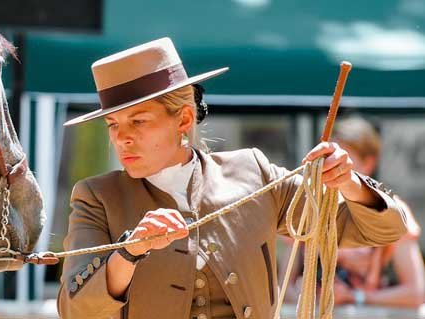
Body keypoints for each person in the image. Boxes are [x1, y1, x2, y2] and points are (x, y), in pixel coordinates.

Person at [57, 37, 409, 319]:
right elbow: (75, 311)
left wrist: (348, 182)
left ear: (183, 120)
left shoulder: (253, 173)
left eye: (138, 121)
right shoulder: (96, 196)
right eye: (113, 125)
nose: (122, 138)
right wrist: (129, 253)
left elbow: (382, 230)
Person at [283, 117, 424, 308]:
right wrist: (318, 302)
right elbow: (282, 288)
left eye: (342, 158)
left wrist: (355, 297)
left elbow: (416, 293)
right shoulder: (306, 208)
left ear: (369, 163)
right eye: (325, 158)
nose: (330, 165)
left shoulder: (390, 211)